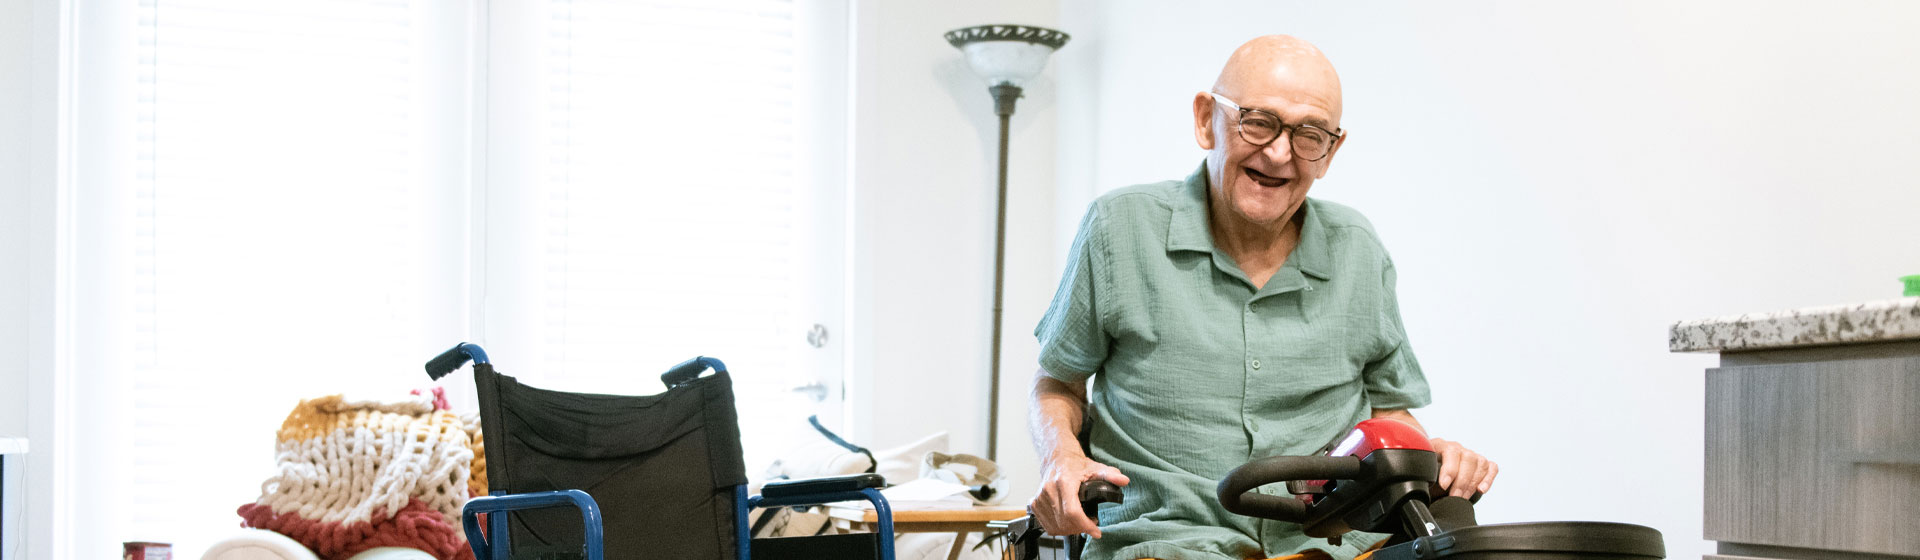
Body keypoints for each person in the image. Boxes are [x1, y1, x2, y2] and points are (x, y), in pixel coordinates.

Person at [1027, 35, 1498, 560]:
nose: (1279, 153)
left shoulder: (1358, 249)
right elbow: (1057, 381)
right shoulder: (1119, 228)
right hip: (1170, 543)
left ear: (1330, 152)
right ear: (1207, 120)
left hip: (1337, 545)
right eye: (1258, 121)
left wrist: (1431, 454)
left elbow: (1390, 409)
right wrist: (1061, 457)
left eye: (1310, 135)